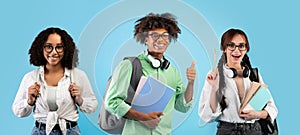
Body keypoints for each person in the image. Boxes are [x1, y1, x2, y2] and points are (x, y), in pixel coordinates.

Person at [104, 13, 196, 135]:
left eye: (164, 36)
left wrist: (191, 83)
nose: (160, 40)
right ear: (146, 39)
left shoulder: (172, 71)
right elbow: (112, 102)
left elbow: (182, 106)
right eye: (154, 35)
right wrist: (143, 117)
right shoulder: (129, 65)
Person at [12, 27, 98, 135]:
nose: (54, 52)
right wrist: (29, 101)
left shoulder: (78, 76)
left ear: (66, 49)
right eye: (49, 47)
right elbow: (17, 111)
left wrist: (79, 99)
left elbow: (92, 107)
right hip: (40, 131)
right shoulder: (31, 78)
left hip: (70, 131)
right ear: (41, 49)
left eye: (59, 47)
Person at [198, 28, 278, 135]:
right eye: (231, 45)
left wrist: (257, 115)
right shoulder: (215, 76)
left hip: (254, 131)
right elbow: (207, 116)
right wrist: (214, 88)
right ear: (224, 49)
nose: (236, 51)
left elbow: (272, 108)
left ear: (246, 49)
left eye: (241, 46)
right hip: (228, 131)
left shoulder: (253, 75)